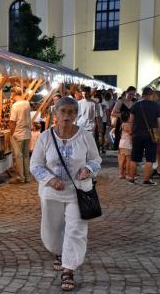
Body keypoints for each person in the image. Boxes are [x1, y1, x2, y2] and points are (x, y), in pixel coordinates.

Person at [30, 97, 102, 291]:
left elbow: (96, 159)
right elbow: (35, 164)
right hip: (51, 193)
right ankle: (59, 251)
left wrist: (88, 168)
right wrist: (50, 179)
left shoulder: (85, 136)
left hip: (77, 193)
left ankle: (68, 270)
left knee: (75, 230)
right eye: (63, 112)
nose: (67, 116)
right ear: (56, 114)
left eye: (71, 112)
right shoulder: (45, 137)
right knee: (52, 229)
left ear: (76, 114)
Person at [127, 87, 160, 185]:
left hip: (137, 134)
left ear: (143, 94)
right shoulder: (157, 106)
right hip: (152, 135)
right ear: (152, 95)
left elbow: (130, 122)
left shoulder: (136, 105)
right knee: (150, 158)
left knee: (134, 158)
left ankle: (131, 178)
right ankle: (146, 180)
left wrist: (130, 134)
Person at [8, 86, 31, 184]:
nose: (11, 97)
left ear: (13, 93)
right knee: (26, 156)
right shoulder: (27, 103)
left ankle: (20, 177)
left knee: (18, 156)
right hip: (27, 133)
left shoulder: (16, 105)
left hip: (18, 133)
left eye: (11, 94)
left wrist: (11, 134)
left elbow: (12, 122)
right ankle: (27, 177)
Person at [118, 111, 132, 179]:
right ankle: (127, 174)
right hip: (127, 143)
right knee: (128, 159)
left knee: (122, 159)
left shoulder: (122, 124)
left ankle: (121, 174)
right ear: (128, 117)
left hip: (122, 142)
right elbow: (130, 133)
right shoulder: (127, 125)